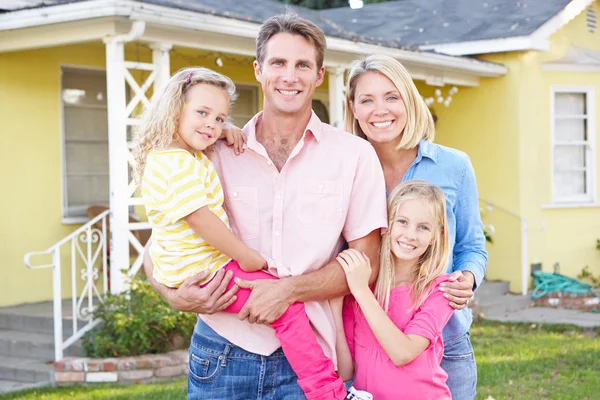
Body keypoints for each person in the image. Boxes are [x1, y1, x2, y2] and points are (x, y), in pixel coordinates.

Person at [142, 12, 387, 400]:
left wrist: (286, 292)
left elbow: (366, 263)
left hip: (310, 355)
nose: (289, 76)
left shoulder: (354, 156)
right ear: (259, 70)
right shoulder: (212, 152)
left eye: (302, 65)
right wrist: (172, 294)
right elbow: (161, 243)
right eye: (278, 63)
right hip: (221, 350)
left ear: (319, 75)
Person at [344, 54, 487, 399]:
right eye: (367, 100)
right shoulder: (344, 169)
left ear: (409, 100)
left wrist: (466, 279)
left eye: (391, 97)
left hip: (445, 343)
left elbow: (471, 245)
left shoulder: (452, 166)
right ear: (353, 108)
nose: (380, 110)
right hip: (364, 343)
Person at [333, 180, 455, 399]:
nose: (410, 235)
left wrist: (361, 292)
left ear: (437, 235)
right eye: (402, 222)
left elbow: (403, 353)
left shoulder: (440, 290)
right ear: (387, 224)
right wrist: (336, 302)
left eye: (423, 227)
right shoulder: (363, 287)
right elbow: (345, 370)